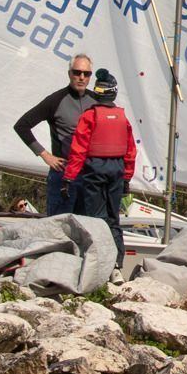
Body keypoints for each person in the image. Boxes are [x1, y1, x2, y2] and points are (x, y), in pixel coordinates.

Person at [13, 54, 97, 215]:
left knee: (87, 231)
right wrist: (44, 155)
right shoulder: (56, 100)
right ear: (69, 73)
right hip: (63, 174)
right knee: (57, 229)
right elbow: (22, 126)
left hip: (89, 176)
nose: (81, 77)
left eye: (86, 74)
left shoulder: (96, 101)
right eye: (77, 72)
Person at [64, 68, 136, 254]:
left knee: (95, 217)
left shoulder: (89, 116)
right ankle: (117, 263)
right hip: (117, 169)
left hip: (94, 168)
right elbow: (130, 151)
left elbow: (78, 148)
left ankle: (98, 258)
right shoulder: (123, 118)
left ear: (96, 93)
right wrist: (127, 178)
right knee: (114, 218)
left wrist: (69, 176)